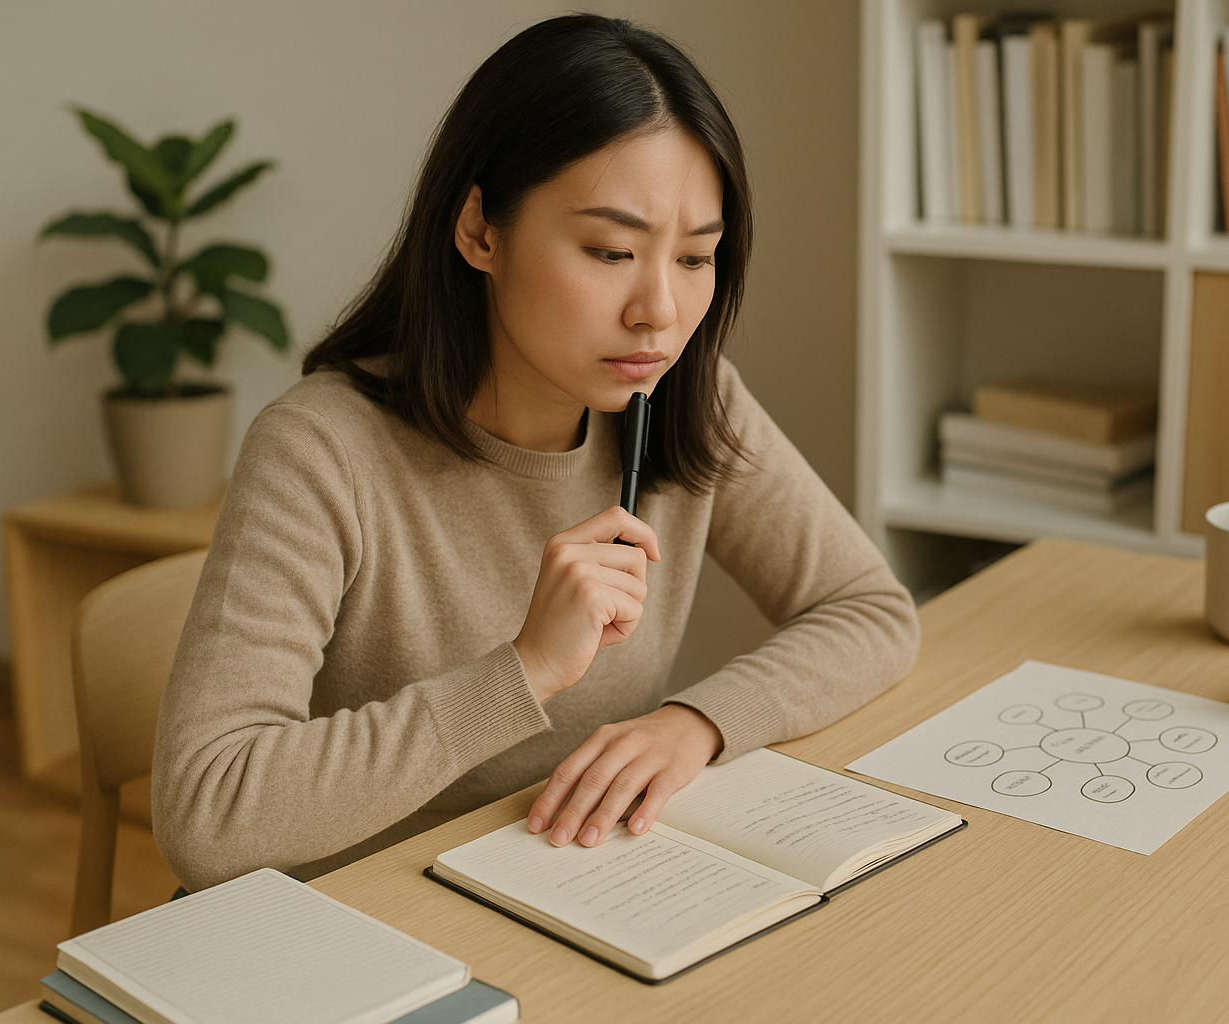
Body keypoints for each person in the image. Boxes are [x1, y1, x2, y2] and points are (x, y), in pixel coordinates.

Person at [152, 14, 919, 891]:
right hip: (345, 928)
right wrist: (522, 671)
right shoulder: (321, 449)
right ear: (480, 229)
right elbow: (205, 818)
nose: (659, 312)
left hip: (559, 893)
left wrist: (696, 723)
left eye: (698, 258)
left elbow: (870, 611)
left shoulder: (680, 402)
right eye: (611, 250)